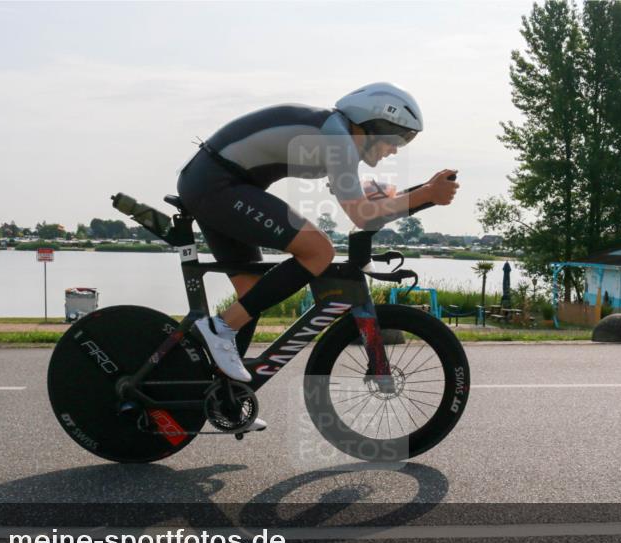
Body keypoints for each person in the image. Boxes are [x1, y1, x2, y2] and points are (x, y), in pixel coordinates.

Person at [177, 82, 459, 392]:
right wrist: (426, 194)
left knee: (253, 295)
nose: (395, 150)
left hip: (211, 182)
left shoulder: (335, 134)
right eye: (398, 140)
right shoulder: (338, 140)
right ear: (376, 125)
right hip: (217, 185)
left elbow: (365, 200)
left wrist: (421, 194)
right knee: (319, 250)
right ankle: (219, 329)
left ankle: (217, 392)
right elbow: (362, 215)